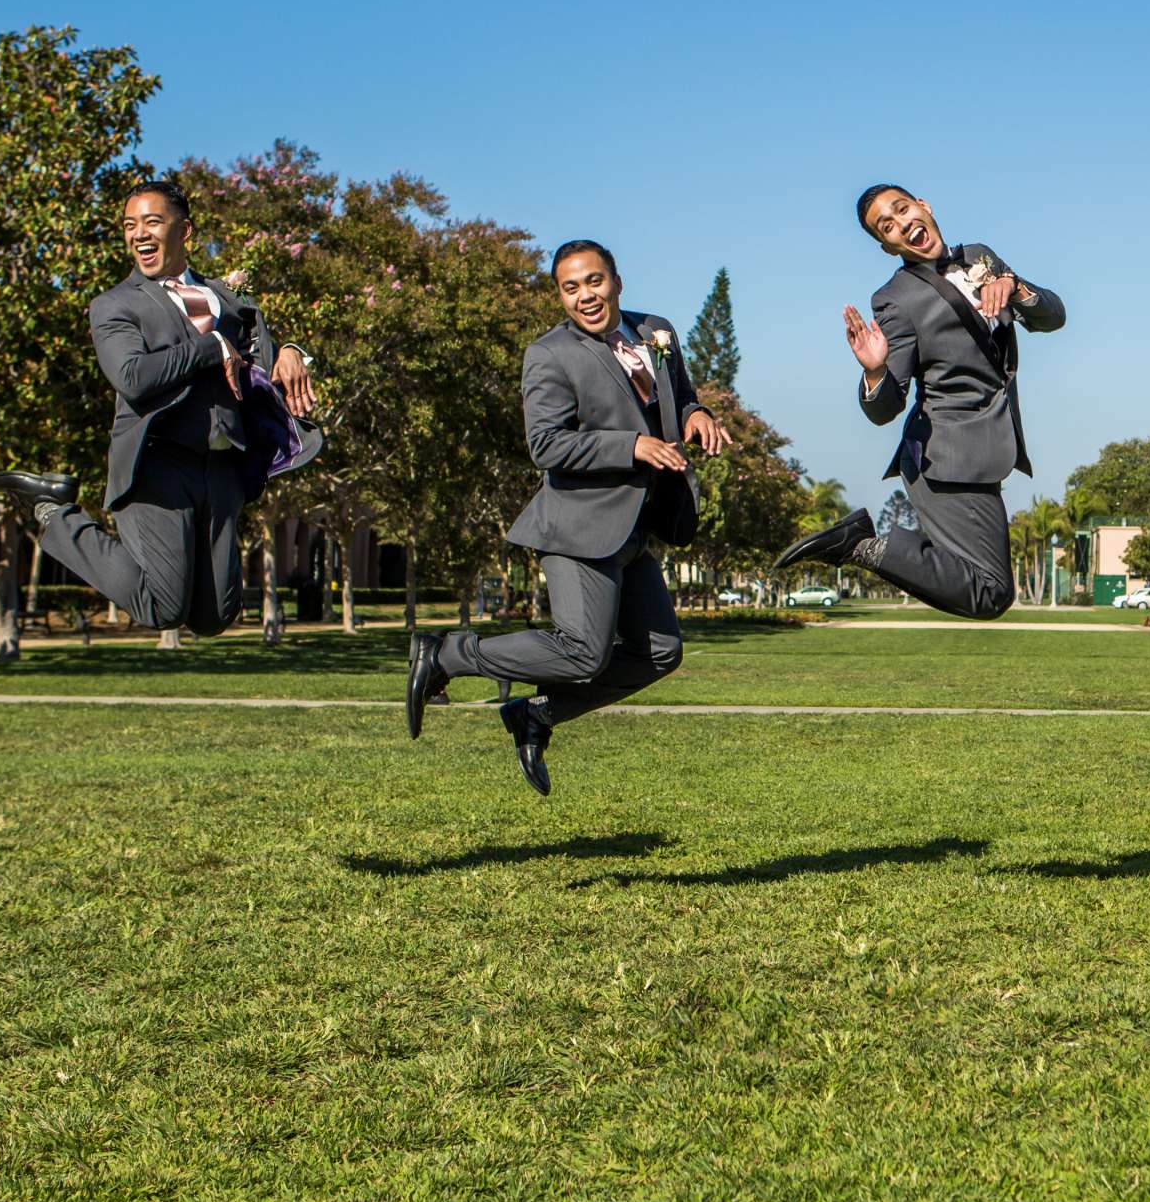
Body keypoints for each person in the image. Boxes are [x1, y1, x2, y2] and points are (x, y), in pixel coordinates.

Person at [406, 240, 727, 794]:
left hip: (635, 529)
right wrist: (631, 447)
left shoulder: (656, 330)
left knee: (660, 651)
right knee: (582, 651)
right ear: (559, 295)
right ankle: (447, 654)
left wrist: (696, 412)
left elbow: (679, 394)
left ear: (617, 280)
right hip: (578, 528)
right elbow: (547, 445)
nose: (585, 296)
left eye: (594, 281)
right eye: (570, 287)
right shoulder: (550, 354)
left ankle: (536, 715)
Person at [0, 180, 318, 636]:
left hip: (221, 470)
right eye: (130, 225)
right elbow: (133, 378)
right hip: (157, 462)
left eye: (152, 222)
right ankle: (56, 513)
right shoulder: (116, 305)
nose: (139, 233)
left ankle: (64, 516)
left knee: (216, 615)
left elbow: (260, 361)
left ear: (185, 231)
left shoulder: (229, 298)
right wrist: (209, 347)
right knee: (162, 609)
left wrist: (290, 351)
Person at [775, 186, 1065, 618]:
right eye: (886, 226)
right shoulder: (896, 298)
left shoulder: (982, 258)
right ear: (885, 245)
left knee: (991, 593)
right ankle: (861, 546)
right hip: (943, 457)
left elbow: (1053, 318)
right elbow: (885, 408)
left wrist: (1015, 285)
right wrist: (875, 371)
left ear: (924, 207)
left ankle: (863, 542)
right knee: (989, 595)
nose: (901, 224)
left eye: (902, 209)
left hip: (985, 449)